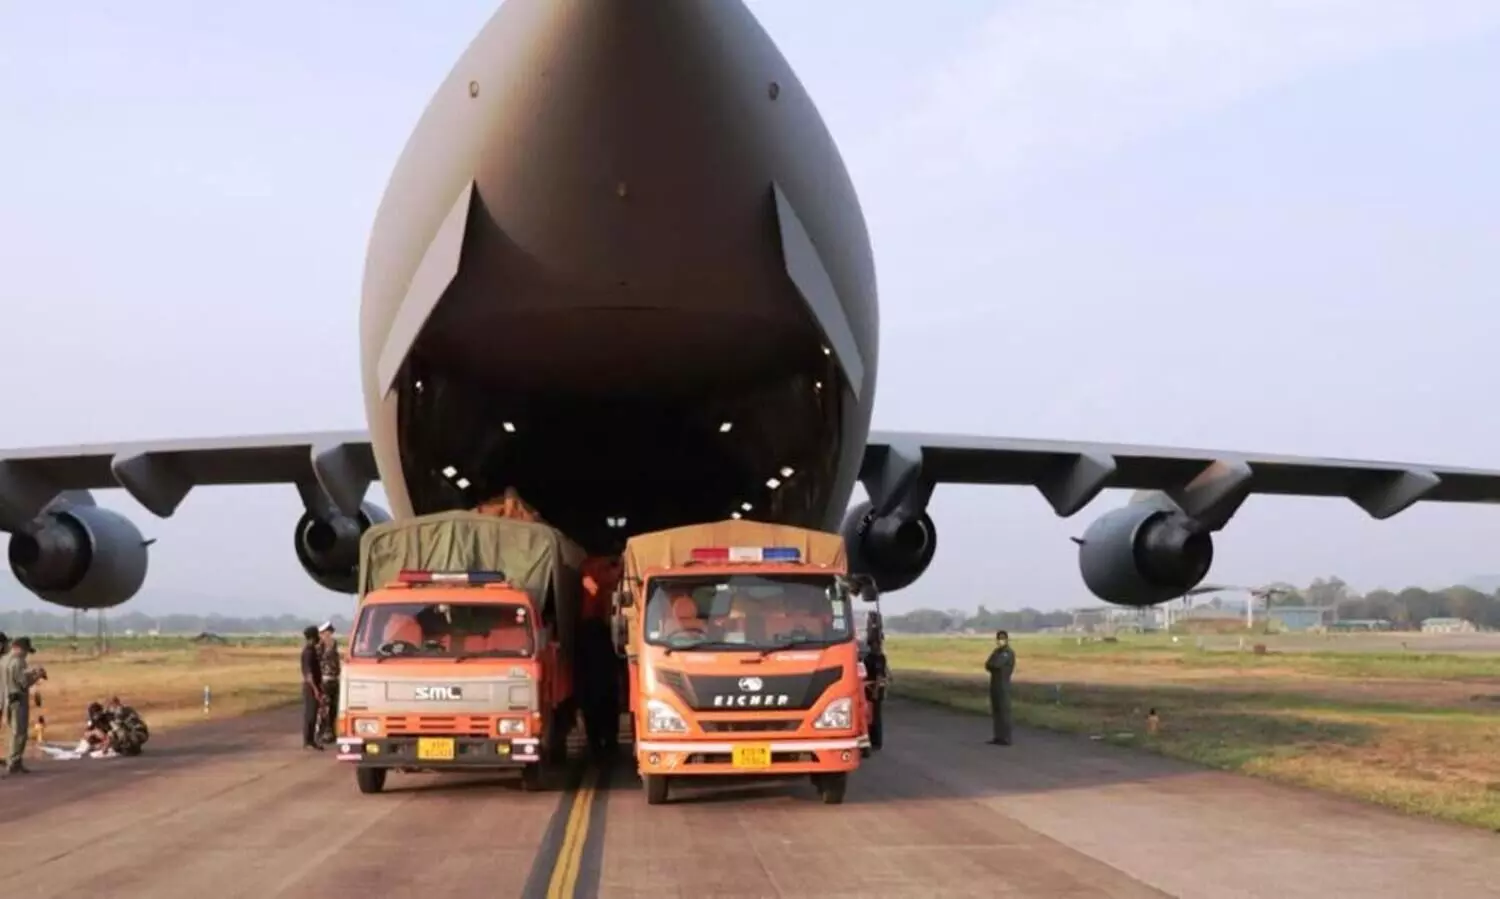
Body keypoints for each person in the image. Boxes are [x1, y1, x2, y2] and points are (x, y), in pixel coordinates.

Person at [1, 637, 46, 774]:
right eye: (25, 651)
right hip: (18, 699)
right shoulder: (18, 662)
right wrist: (37, 675)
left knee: (12, 731)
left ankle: (11, 758)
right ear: (20, 649)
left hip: (6, 698)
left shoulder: (4, 660)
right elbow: (23, 683)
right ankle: (14, 761)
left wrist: (30, 672)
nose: (26, 654)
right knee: (20, 732)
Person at [984, 630, 1016, 746]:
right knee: (996, 711)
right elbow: (988, 664)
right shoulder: (996, 651)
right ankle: (998, 736)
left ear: (1006, 639)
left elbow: (996, 664)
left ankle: (1006, 738)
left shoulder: (1008, 653)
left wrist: (993, 665)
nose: (1000, 641)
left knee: (1004, 712)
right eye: (999, 639)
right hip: (995, 683)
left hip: (1003, 684)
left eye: (1002, 638)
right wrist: (993, 665)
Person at [299, 625, 324, 750]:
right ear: (313, 637)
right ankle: (308, 741)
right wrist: (316, 690)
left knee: (314, 715)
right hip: (310, 687)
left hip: (314, 686)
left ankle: (311, 740)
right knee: (310, 715)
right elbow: (309, 675)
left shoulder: (312, 650)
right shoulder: (308, 652)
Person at [317, 622, 341, 744]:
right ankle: (323, 733)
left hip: (334, 679)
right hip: (324, 680)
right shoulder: (319, 646)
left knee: (334, 708)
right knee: (324, 708)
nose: (329, 634)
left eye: (330, 632)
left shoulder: (334, 644)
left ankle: (331, 732)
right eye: (327, 632)